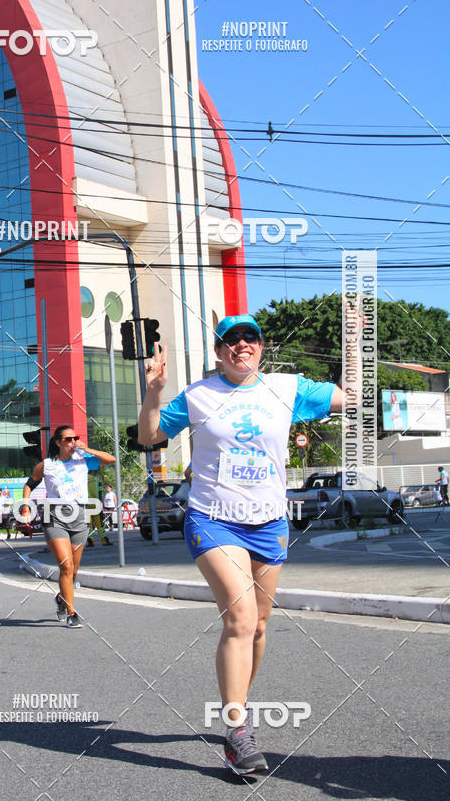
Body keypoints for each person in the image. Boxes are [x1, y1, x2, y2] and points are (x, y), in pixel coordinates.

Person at [138, 314, 344, 776]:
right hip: (213, 520)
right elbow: (149, 437)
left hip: (269, 522)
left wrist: (356, 347)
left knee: (260, 626)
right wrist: (153, 392)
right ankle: (236, 731)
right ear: (219, 352)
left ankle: (239, 707)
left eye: (250, 337)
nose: (241, 345)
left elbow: (347, 397)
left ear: (261, 346)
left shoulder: (288, 389)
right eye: (231, 339)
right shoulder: (198, 395)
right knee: (241, 617)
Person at [22, 425, 115, 629]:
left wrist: (88, 449)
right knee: (65, 566)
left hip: (79, 515)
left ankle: (62, 599)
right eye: (68, 439)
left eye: (75, 438)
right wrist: (25, 507)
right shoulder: (46, 465)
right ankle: (72, 613)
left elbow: (111, 459)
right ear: (58, 442)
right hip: (54, 516)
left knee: (73, 571)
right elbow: (29, 484)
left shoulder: (83, 460)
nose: (72, 441)